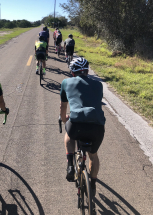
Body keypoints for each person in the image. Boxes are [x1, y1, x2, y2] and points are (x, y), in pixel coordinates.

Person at [59, 57, 105, 196]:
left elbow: (63, 106)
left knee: (69, 134)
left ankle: (70, 165)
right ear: (87, 71)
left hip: (76, 124)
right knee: (93, 155)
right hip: (97, 127)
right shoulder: (99, 85)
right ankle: (93, 183)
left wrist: (63, 119)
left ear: (72, 72)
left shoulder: (66, 82)